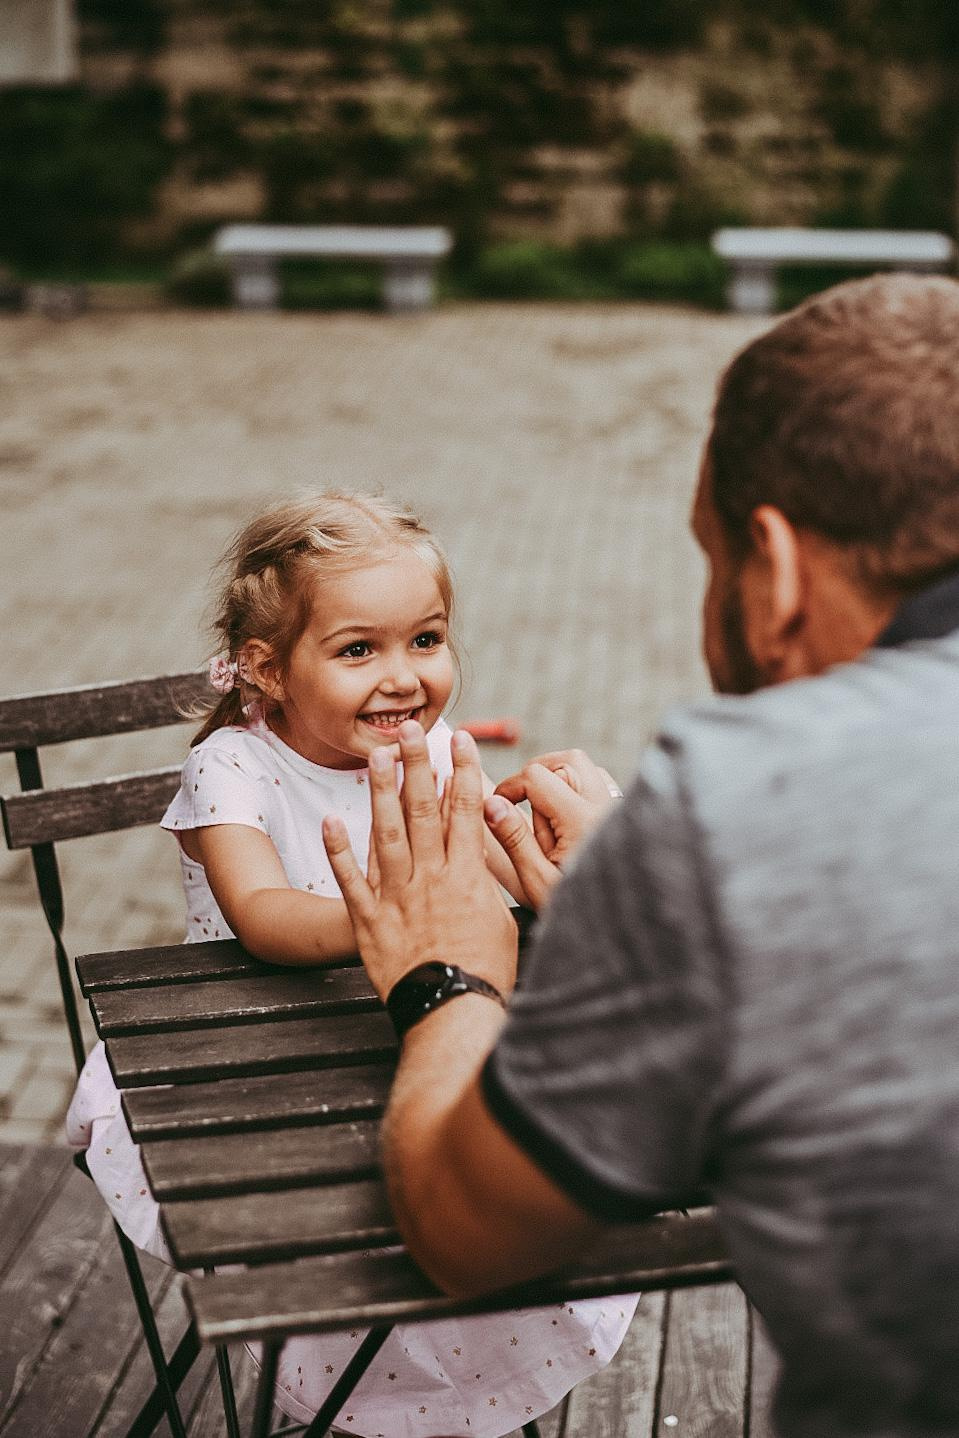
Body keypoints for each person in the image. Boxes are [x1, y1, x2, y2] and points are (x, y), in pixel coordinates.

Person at [322, 275, 959, 1438]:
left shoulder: (738, 804)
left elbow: (467, 1230)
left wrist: (445, 970)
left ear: (770, 570)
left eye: (710, 564)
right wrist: (648, 922)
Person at [65, 490, 638, 1437]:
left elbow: (501, 868)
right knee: (350, 1217)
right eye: (358, 649)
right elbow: (262, 916)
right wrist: (402, 923)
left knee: (496, 1173)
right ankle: (354, 1396)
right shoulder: (231, 768)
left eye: (426, 640)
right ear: (268, 668)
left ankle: (438, 1393)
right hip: (249, 1058)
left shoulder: (438, 754)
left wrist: (556, 870)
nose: (404, 677)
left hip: (394, 1039)